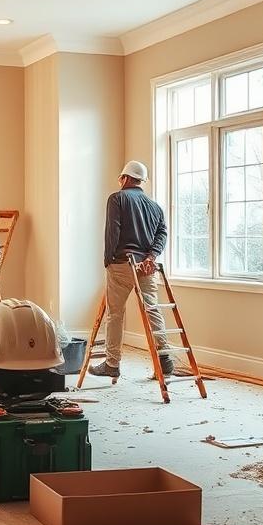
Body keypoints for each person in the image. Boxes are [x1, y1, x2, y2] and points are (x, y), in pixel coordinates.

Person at [89, 161, 173, 379]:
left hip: (122, 264)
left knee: (115, 314)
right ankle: (164, 359)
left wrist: (108, 259)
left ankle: (112, 364)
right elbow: (162, 234)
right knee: (152, 309)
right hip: (145, 266)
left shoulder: (117, 198)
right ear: (141, 181)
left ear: (125, 178)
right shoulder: (155, 207)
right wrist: (151, 256)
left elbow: (112, 231)